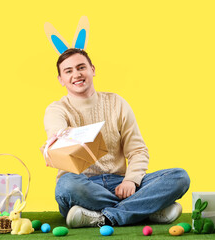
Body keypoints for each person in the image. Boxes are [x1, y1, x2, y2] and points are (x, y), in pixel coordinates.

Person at [44, 48, 190, 228]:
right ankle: (146, 209)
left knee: (179, 177)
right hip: (83, 186)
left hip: (121, 184)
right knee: (66, 185)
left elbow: (137, 150)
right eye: (68, 71)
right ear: (61, 80)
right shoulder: (56, 109)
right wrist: (58, 142)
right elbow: (57, 133)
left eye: (81, 67)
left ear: (93, 70)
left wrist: (131, 180)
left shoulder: (117, 103)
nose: (76, 74)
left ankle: (102, 217)